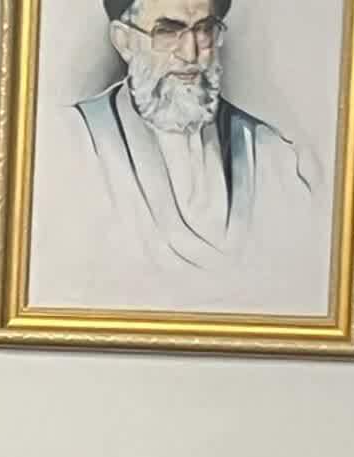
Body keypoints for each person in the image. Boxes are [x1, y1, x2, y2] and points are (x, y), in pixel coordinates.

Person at [31, 0, 327, 313]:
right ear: (123, 41)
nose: (190, 53)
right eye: (167, 32)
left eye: (204, 30)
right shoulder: (73, 141)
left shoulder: (271, 154)